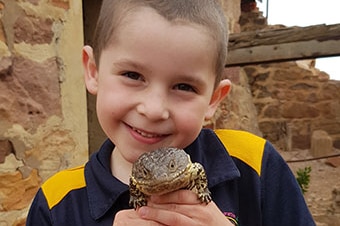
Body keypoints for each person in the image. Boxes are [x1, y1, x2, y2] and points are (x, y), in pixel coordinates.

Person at [26, 0, 316, 225]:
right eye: (132, 75)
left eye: (184, 86)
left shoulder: (255, 167)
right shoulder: (56, 204)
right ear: (93, 71)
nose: (153, 110)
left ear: (214, 100)